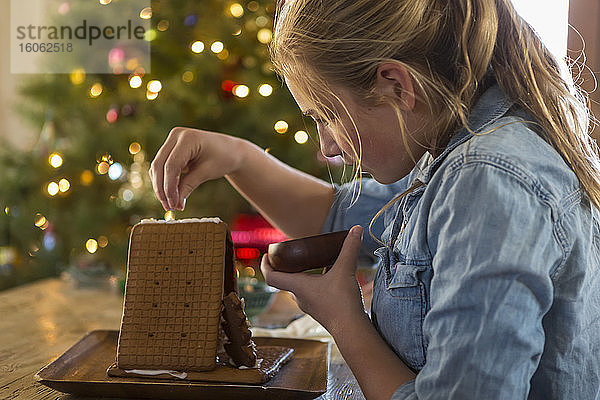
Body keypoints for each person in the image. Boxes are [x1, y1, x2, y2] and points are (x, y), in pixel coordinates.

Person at [149, 0, 600, 398]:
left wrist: (344, 319)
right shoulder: (447, 147)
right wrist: (237, 157)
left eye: (327, 114)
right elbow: (337, 214)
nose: (326, 146)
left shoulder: (487, 181)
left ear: (394, 85)